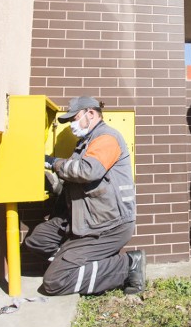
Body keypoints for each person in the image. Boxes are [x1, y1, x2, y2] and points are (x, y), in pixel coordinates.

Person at [24, 96, 145, 295]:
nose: (72, 124)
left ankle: (128, 265)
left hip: (107, 225)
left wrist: (53, 162)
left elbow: (89, 171)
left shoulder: (107, 138)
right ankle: (78, 260)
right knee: (37, 240)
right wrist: (56, 184)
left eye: (74, 118)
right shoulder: (86, 143)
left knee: (55, 281)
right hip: (83, 219)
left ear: (90, 113)